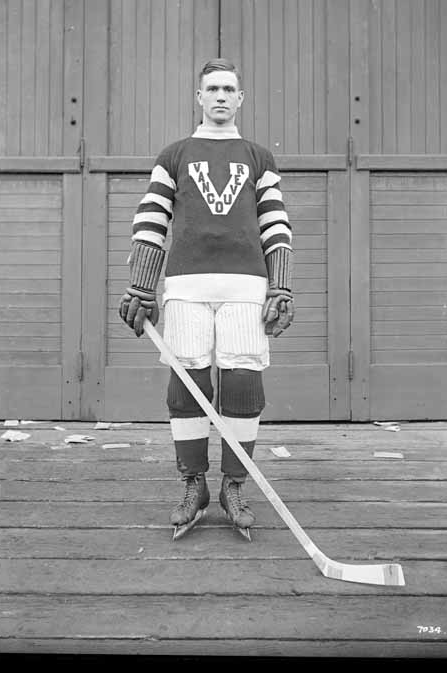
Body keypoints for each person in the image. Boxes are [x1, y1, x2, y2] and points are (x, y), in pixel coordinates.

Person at [119, 58, 294, 540]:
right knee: (187, 385)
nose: (220, 96)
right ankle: (193, 484)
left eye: (229, 89)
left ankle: (233, 486)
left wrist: (280, 284)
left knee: (243, 386)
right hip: (186, 287)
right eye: (212, 88)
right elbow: (151, 220)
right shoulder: (174, 154)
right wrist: (141, 285)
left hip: (245, 286)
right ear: (199, 97)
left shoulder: (259, 157)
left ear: (240, 99)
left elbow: (275, 223)